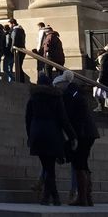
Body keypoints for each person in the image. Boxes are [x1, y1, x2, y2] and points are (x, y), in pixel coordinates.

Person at [25, 74, 74, 206]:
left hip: (37, 133)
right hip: (52, 134)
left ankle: (51, 197)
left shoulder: (33, 98)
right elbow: (63, 119)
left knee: (47, 166)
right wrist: (72, 135)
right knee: (49, 167)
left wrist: (30, 135)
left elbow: (28, 119)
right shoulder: (55, 97)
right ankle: (50, 197)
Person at [59, 70, 98, 207]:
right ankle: (87, 196)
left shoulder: (70, 95)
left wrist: (73, 136)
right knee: (83, 163)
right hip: (89, 132)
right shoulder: (78, 93)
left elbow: (69, 117)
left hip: (82, 133)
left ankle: (83, 197)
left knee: (79, 164)